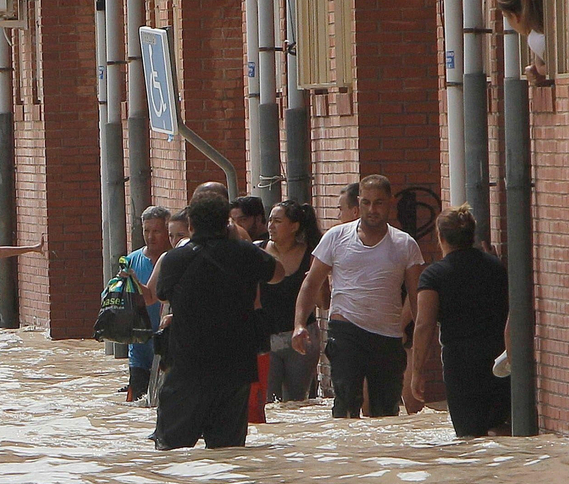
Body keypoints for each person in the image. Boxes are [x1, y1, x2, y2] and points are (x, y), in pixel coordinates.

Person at [151, 195, 285, 449]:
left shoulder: (175, 259)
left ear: (191, 225)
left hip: (187, 370)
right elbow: (278, 274)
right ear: (227, 224)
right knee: (228, 452)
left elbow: (160, 293)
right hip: (234, 370)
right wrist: (241, 242)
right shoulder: (245, 254)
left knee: (172, 452)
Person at [292, 174, 425, 418]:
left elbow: (418, 298)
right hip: (346, 331)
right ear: (359, 203)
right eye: (366, 202)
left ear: (390, 203)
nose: (372, 209)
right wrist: (299, 324)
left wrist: (419, 345)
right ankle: (346, 454)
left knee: (385, 411)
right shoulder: (336, 237)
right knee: (346, 403)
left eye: (379, 203)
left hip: (387, 336)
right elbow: (311, 283)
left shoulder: (405, 244)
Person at [411, 204, 511, 437]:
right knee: (499, 427)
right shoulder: (496, 268)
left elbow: (424, 325)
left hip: (461, 365)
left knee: (469, 436)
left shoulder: (434, 276)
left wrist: (417, 371)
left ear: (440, 237)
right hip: (498, 360)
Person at [260, 200, 324, 401]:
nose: (271, 226)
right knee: (268, 402)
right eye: (269, 220)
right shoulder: (258, 251)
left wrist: (315, 280)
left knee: (297, 402)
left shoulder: (312, 255)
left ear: (294, 226)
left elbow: (324, 303)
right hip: (266, 338)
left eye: (277, 221)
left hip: (302, 337)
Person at [122, 206, 172, 400]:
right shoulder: (132, 260)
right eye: (146, 231)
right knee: (137, 408)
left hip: (167, 346)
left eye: (156, 231)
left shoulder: (174, 260)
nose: (150, 237)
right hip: (139, 348)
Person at [498, 0, 547, 85]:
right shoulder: (542, 33)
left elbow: (556, 67)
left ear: (516, 17)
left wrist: (540, 69)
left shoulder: (535, 39)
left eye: (507, 17)